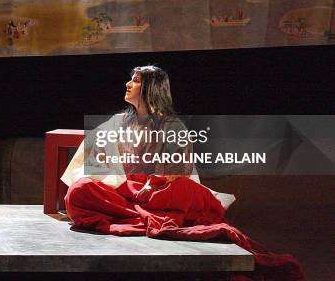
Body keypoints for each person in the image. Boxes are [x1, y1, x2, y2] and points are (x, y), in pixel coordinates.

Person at [61, 65, 303, 280]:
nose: (128, 84)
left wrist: (154, 183)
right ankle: (143, 217)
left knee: (182, 191)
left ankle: (140, 217)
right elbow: (96, 158)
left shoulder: (172, 125)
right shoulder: (117, 122)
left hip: (157, 192)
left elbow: (178, 169)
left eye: (135, 81)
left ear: (151, 89)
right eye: (131, 79)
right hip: (124, 191)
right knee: (79, 191)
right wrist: (115, 179)